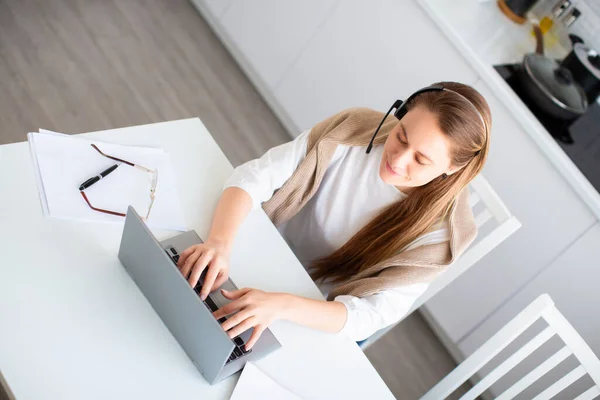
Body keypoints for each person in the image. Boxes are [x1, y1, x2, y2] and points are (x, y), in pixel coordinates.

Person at [176, 81, 491, 350]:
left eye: (421, 159)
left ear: (454, 168)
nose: (398, 158)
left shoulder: (442, 236)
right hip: (253, 249)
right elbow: (258, 176)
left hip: (308, 312)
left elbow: (369, 316)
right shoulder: (353, 128)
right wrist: (219, 241)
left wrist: (281, 304)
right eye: (402, 135)